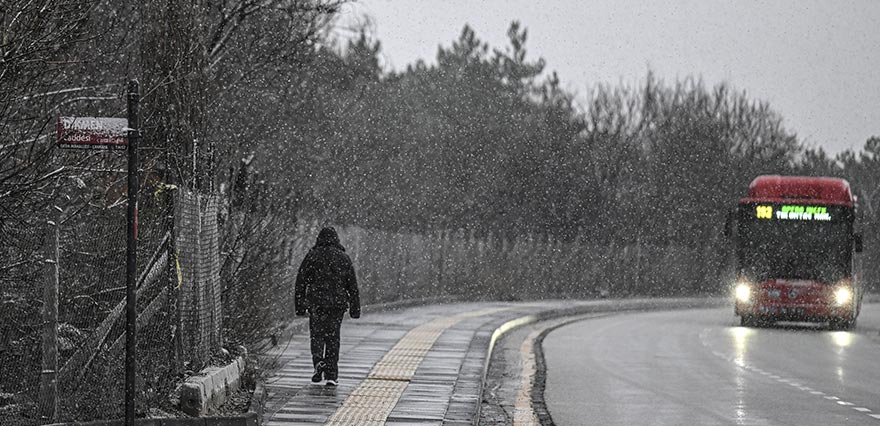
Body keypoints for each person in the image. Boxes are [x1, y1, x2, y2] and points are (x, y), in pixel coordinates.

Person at [294, 227, 360, 386]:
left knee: (317, 335)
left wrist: (300, 306)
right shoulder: (343, 258)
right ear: (336, 240)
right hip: (336, 305)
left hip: (316, 303)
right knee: (333, 338)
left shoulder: (312, 256)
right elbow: (352, 285)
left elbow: (300, 282)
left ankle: (318, 361)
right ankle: (331, 374)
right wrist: (354, 308)